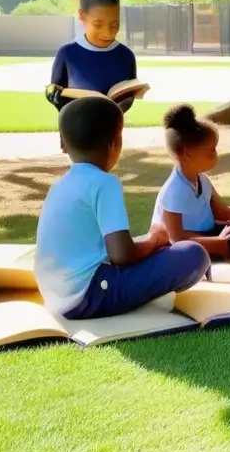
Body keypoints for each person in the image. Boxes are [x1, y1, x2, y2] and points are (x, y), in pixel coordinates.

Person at [34, 97, 209, 320]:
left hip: (57, 294)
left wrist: (149, 244)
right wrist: (154, 240)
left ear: (62, 143)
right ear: (115, 143)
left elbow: (106, 249)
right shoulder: (104, 183)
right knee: (192, 254)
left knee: (156, 248)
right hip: (88, 296)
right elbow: (121, 255)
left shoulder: (60, 185)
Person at [151, 104, 230, 259]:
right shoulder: (175, 190)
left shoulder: (202, 180)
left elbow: (222, 212)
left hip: (209, 235)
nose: (216, 154)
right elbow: (175, 239)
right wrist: (219, 243)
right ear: (187, 153)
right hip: (186, 247)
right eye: (212, 150)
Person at [46, 0, 139, 113]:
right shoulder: (67, 53)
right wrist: (54, 95)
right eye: (98, 24)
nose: (107, 33)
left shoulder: (126, 56)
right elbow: (56, 92)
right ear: (82, 15)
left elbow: (129, 97)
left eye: (114, 25)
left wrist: (114, 111)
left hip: (111, 131)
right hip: (74, 130)